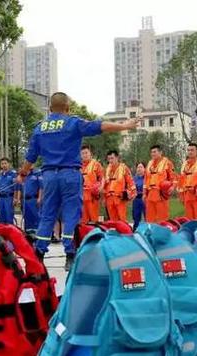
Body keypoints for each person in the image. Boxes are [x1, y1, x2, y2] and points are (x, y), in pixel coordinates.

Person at [16, 91, 137, 271]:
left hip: (49, 176)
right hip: (70, 175)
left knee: (48, 214)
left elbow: (30, 157)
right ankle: (70, 254)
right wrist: (125, 125)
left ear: (50, 109)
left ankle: (39, 254)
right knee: (71, 213)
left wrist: (23, 174)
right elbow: (100, 126)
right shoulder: (73, 122)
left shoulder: (39, 128)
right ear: (67, 107)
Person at [144, 145, 176, 223]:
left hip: (161, 194)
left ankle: (163, 233)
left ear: (160, 152)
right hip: (150, 194)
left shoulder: (167, 163)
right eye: (151, 152)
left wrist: (173, 187)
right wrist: (144, 193)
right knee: (149, 218)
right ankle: (151, 233)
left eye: (155, 152)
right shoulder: (149, 164)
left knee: (162, 218)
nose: (153, 154)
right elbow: (146, 179)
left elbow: (173, 177)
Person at [177, 142, 197, 220]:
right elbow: (181, 180)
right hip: (187, 195)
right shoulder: (184, 164)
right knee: (189, 219)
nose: (190, 152)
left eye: (192, 150)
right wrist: (181, 195)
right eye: (188, 150)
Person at [103, 150, 136, 221]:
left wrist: (131, 193)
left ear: (117, 158)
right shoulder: (107, 169)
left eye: (112, 158)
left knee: (122, 220)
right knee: (112, 221)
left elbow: (130, 181)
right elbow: (105, 184)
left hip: (120, 198)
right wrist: (104, 198)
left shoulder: (124, 168)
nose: (110, 160)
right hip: (109, 199)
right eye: (109, 159)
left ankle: (125, 232)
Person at [80, 145, 104, 223]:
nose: (85, 155)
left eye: (86, 153)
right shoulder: (78, 166)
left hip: (92, 196)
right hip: (81, 196)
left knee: (94, 219)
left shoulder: (96, 164)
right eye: (83, 153)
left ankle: (95, 233)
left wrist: (100, 188)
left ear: (90, 153)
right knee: (83, 220)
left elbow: (102, 178)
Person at [0, 158, 18, 224]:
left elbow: (16, 188)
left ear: (9, 164)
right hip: (0, 199)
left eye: (5, 163)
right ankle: (2, 233)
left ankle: (10, 233)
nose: (4, 165)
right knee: (1, 217)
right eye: (2, 164)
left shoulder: (13, 174)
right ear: (0, 165)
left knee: (9, 217)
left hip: (9, 198)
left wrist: (15, 198)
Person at [132, 162, 146, 230]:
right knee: (136, 217)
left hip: (145, 199)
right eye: (138, 167)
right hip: (136, 200)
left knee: (147, 217)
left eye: (141, 167)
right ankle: (135, 231)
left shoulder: (147, 178)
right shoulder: (134, 179)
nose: (139, 169)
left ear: (144, 169)